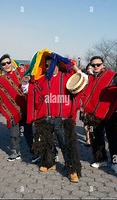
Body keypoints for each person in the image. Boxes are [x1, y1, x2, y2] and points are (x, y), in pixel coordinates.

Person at [23, 51, 82, 183]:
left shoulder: (67, 77)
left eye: (53, 64)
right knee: (45, 143)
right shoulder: (42, 80)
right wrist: (26, 81)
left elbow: (81, 78)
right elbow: (30, 91)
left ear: (58, 65)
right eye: (47, 65)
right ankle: (49, 163)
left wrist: (71, 64)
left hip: (62, 119)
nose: (50, 67)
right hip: (45, 118)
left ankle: (72, 170)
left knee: (66, 144)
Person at [81, 56, 117, 174]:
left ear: (103, 65)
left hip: (110, 113)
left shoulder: (111, 75)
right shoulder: (88, 78)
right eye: (93, 65)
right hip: (93, 114)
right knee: (96, 138)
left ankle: (116, 163)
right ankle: (100, 159)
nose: (96, 67)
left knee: (114, 140)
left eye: (98, 64)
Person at [0, 54, 33, 161]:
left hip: (26, 107)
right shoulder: (0, 80)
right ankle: (15, 151)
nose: (7, 65)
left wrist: (29, 78)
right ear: (1, 66)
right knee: (14, 133)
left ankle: (34, 151)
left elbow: (34, 74)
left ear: (11, 62)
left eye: (8, 62)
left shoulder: (21, 71)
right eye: (4, 64)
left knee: (28, 132)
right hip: (12, 111)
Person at [79, 63, 93, 147]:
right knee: (85, 122)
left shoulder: (95, 79)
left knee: (91, 123)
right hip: (84, 103)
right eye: (88, 68)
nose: (89, 69)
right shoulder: (84, 78)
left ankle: (91, 136)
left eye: (91, 68)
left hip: (93, 104)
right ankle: (87, 138)